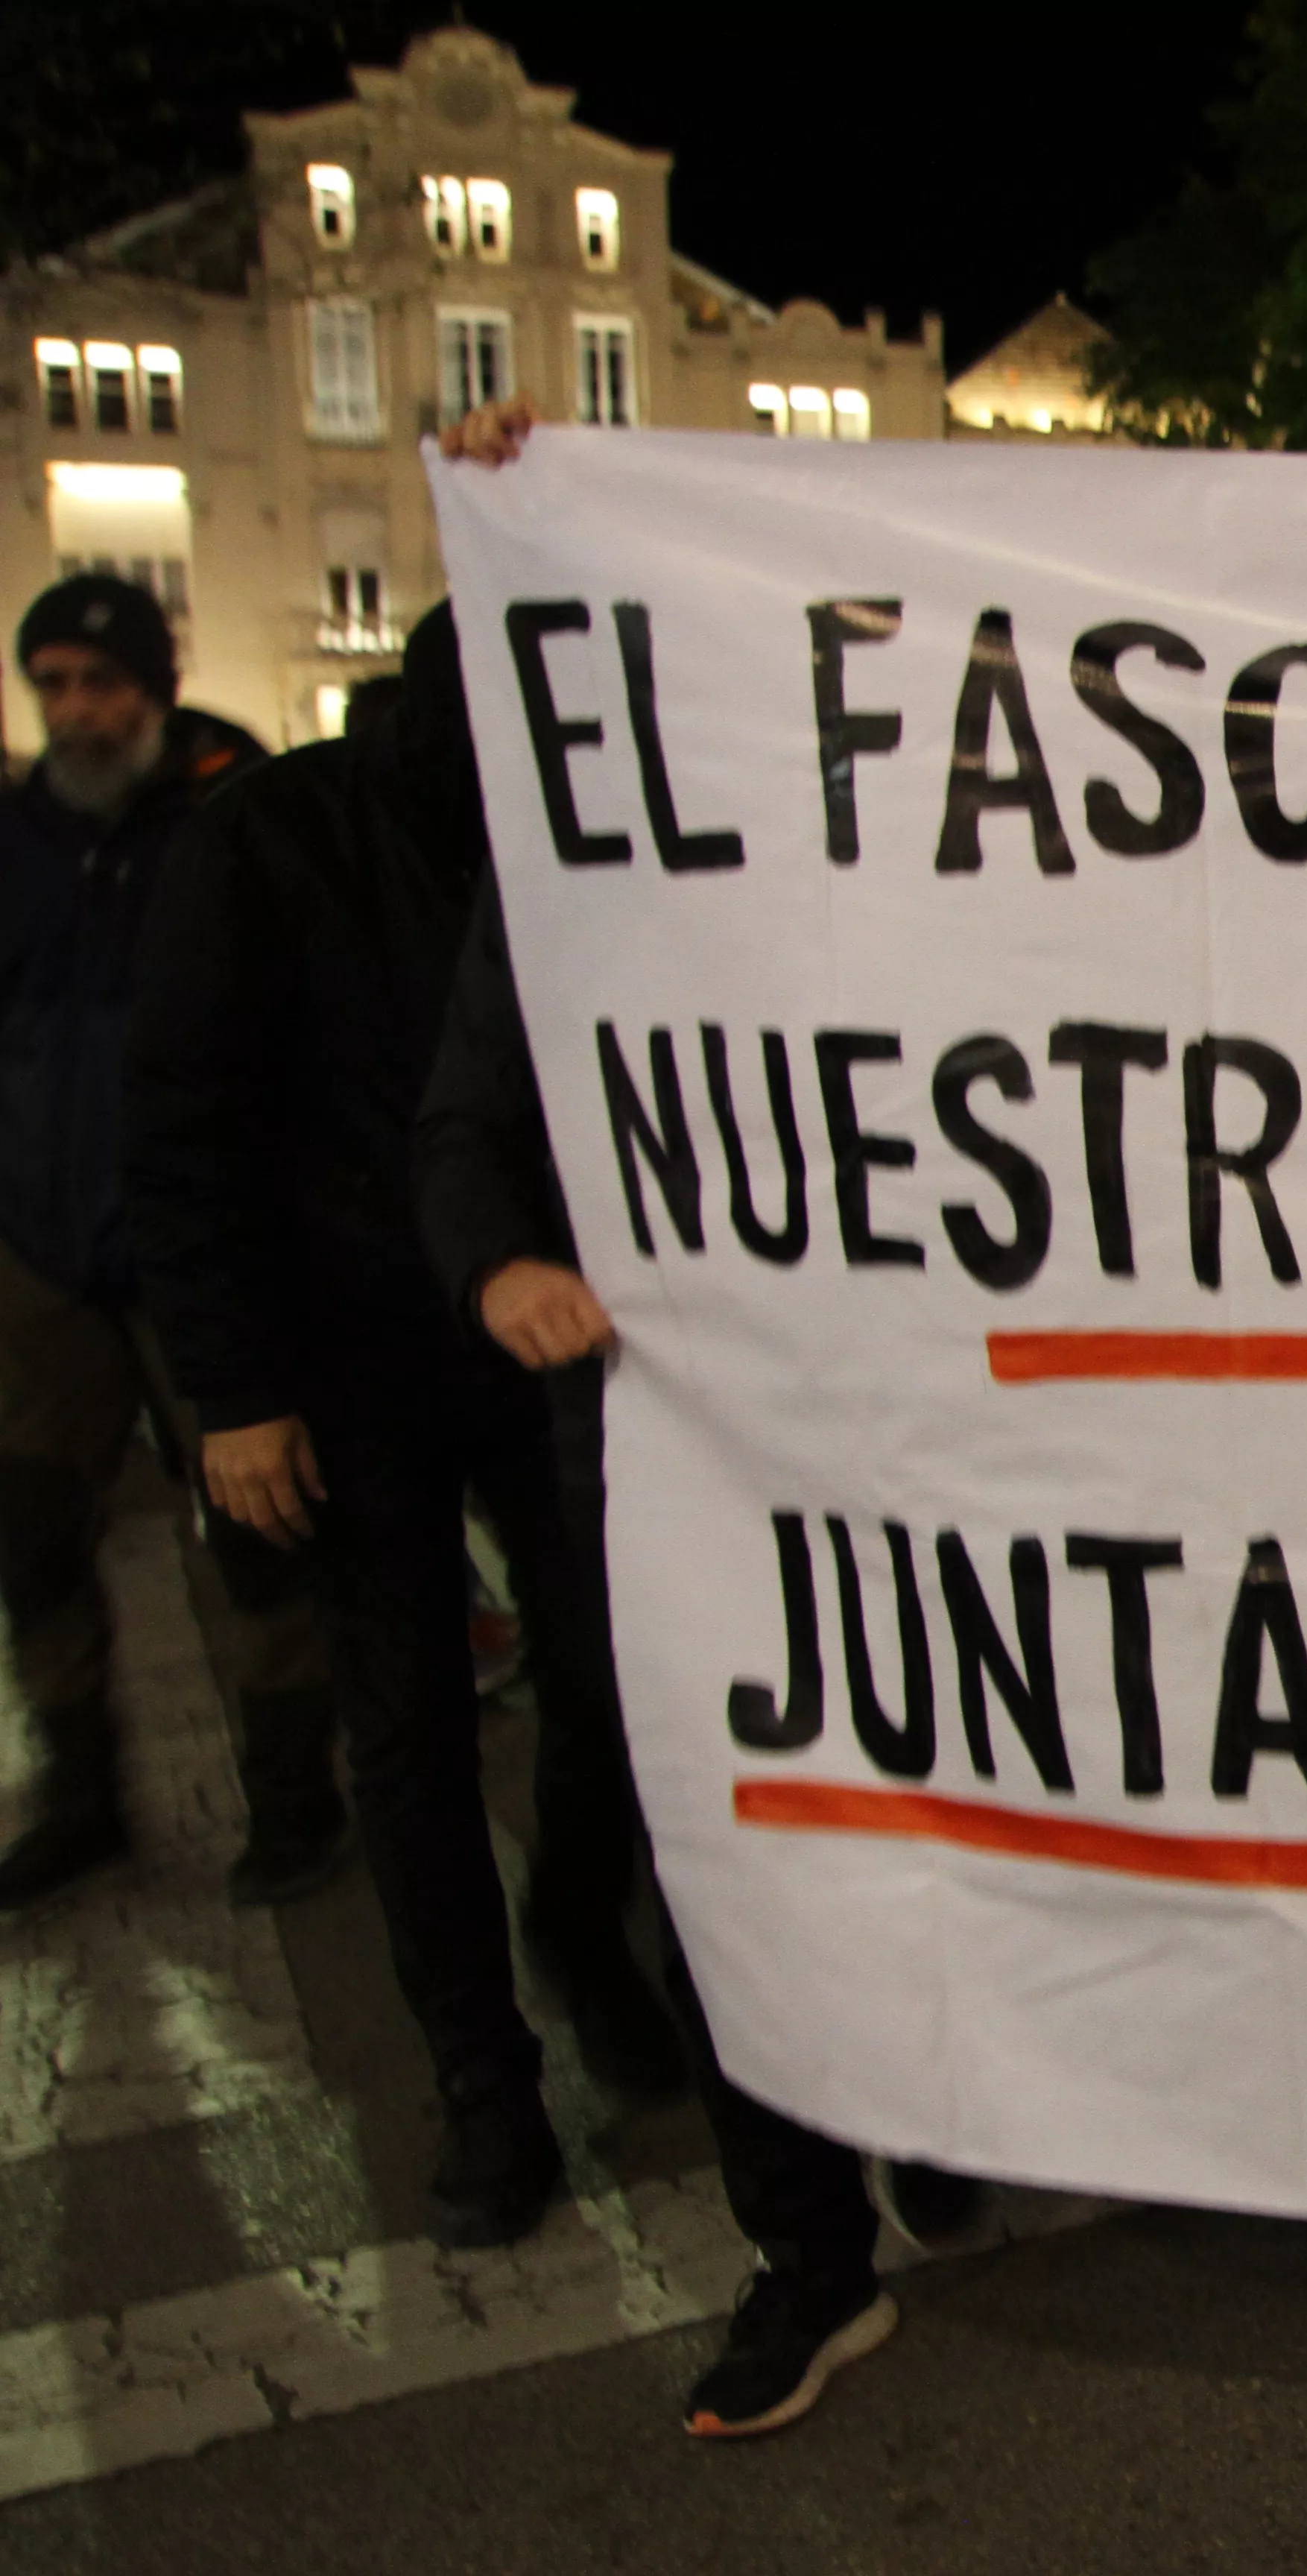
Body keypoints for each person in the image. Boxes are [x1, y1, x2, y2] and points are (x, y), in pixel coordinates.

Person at [422, 395, 981, 2434]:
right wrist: (504, 1273)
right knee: (738, 1853)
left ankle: (935, 2112)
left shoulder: (961, 849)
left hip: (932, 1460)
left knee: (954, 1804)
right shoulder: (584, 870)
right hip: (683, 1465)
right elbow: (467, 1130)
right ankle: (806, 2251)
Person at [122, 596, 673, 2252]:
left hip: (534, 1331)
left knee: (604, 1677)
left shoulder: (591, 848)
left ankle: (581, 1931)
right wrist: (238, 1394)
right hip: (347, 1354)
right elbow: (186, 1120)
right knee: (411, 1730)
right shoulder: (270, 841)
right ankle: (482, 2088)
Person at [0, 574, 339, 1910]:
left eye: (101, 682)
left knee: (258, 1527)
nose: (79, 711)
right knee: (32, 1530)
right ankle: (83, 1791)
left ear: (154, 681)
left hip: (197, 1243)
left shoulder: (227, 806)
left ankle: (298, 1799)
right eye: (56, 686)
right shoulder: (18, 837)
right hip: (38, 1249)